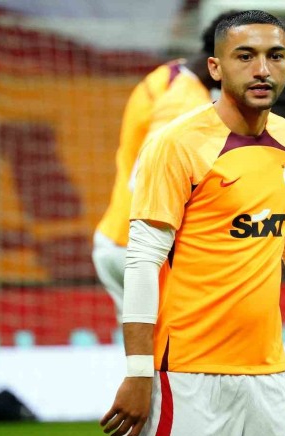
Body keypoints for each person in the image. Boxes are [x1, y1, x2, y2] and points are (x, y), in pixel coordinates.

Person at [99, 10, 285, 436]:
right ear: (215, 67)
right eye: (245, 56)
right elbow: (141, 262)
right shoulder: (176, 144)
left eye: (275, 56)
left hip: (267, 374)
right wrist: (138, 371)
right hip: (187, 374)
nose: (261, 69)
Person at [92, 12, 236, 327]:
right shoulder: (183, 106)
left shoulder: (171, 74)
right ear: (218, 63)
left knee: (152, 354)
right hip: (143, 250)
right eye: (246, 59)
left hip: (121, 239)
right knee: (183, 350)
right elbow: (146, 176)